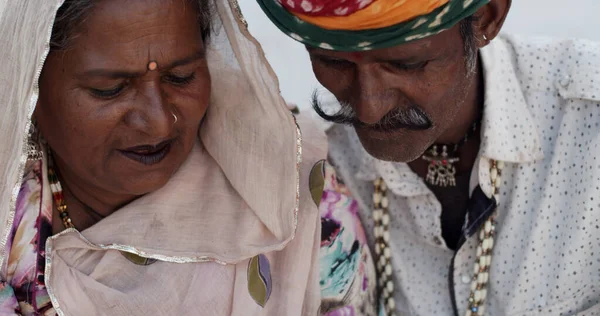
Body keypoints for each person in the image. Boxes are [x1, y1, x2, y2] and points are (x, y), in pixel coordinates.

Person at [0, 0, 378, 314]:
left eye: (181, 77)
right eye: (110, 89)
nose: (160, 121)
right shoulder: (10, 218)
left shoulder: (291, 189)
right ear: (28, 83)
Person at [258, 0, 600, 315]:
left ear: (487, 17)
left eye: (407, 64)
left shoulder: (588, 119)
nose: (370, 108)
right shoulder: (316, 167)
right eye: (333, 61)